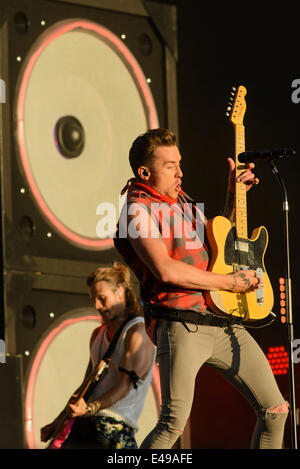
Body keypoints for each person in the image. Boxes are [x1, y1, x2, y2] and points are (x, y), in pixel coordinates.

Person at [114, 128, 289, 449]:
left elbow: (217, 242)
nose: (180, 172)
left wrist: (234, 194)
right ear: (144, 172)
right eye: (169, 165)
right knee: (172, 424)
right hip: (181, 326)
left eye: (179, 163)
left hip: (222, 322)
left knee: (275, 409)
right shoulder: (135, 211)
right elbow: (165, 269)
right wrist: (231, 283)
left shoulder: (181, 200)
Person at [40, 262, 156, 449]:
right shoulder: (98, 334)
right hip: (85, 425)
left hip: (114, 429)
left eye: (102, 298)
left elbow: (124, 386)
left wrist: (91, 408)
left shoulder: (137, 332)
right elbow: (86, 385)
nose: (97, 305)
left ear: (120, 292)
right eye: (93, 299)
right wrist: (57, 423)